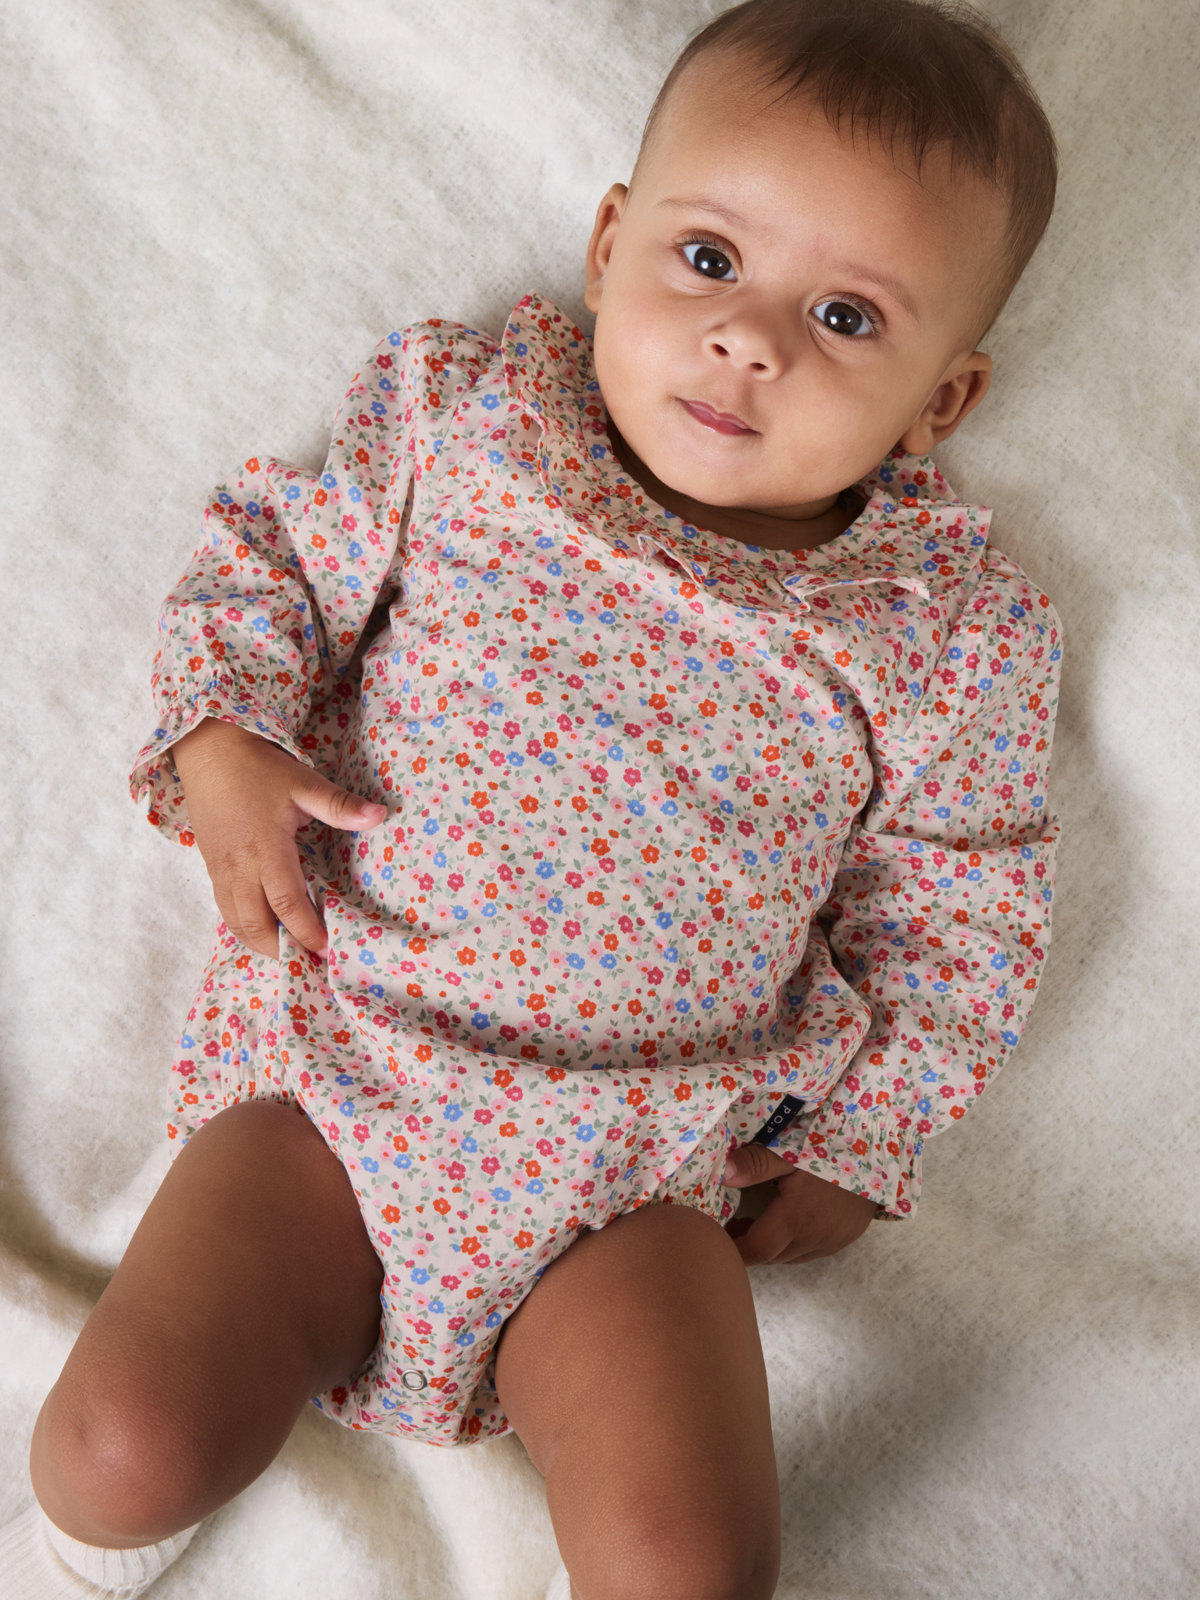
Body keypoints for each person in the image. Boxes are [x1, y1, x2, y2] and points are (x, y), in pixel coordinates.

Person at [7, 2, 1063, 1596]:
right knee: (118, 1444)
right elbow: (273, 561)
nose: (751, 340)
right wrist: (222, 736)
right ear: (612, 243)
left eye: (845, 316)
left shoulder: (940, 628)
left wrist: (866, 1136)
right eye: (709, 260)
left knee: (688, 1560)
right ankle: (80, 1562)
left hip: (636, 1181)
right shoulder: (478, 418)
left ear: (941, 402)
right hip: (339, 1081)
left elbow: (963, 906)